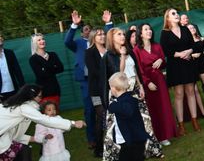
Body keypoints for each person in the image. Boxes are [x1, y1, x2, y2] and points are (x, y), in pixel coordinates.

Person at [100, 28, 163, 160]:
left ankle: (150, 149)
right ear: (112, 38)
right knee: (121, 125)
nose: (123, 36)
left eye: (123, 34)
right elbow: (119, 75)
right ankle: (119, 153)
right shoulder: (109, 56)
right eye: (119, 34)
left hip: (134, 90)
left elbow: (135, 70)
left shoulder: (130, 52)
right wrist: (122, 56)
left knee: (144, 121)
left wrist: (141, 87)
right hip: (120, 92)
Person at [63, 10, 112, 150]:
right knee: (90, 111)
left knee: (106, 109)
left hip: (104, 81)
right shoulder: (78, 43)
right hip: (87, 82)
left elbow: (111, 38)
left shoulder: (102, 44)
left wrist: (108, 23)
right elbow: (67, 41)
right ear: (81, 32)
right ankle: (92, 139)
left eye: (90, 29)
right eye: (85, 29)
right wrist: (74, 24)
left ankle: (110, 137)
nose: (87, 31)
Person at [0, 84, 84, 161]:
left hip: (5, 141)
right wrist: (72, 123)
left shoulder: (14, 105)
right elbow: (44, 120)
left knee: (24, 151)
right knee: (23, 152)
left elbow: (13, 133)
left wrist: (35, 139)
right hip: (3, 144)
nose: (41, 99)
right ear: (32, 97)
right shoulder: (24, 107)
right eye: (39, 96)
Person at [133, 23, 176, 147]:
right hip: (147, 82)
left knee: (163, 106)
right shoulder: (136, 50)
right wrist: (147, 82)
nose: (149, 31)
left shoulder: (157, 46)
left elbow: (163, 61)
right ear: (140, 34)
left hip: (159, 80)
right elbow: (138, 69)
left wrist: (161, 60)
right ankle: (154, 137)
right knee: (151, 110)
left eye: (150, 29)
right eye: (146, 29)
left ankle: (164, 135)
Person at [159, 8, 199, 135]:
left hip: (188, 64)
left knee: (191, 91)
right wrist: (180, 54)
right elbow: (165, 50)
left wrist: (188, 52)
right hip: (175, 66)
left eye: (177, 13)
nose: (177, 15)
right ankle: (181, 124)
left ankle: (194, 120)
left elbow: (193, 45)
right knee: (179, 94)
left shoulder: (185, 29)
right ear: (168, 18)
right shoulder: (164, 33)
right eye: (173, 14)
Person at [108, 72, 149, 161]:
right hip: (128, 140)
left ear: (114, 89)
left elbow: (128, 111)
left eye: (110, 87)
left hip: (134, 140)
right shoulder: (122, 100)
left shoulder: (129, 100)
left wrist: (113, 105)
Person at [85, 28, 107, 158]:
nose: (102, 36)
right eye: (99, 35)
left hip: (110, 89)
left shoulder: (108, 50)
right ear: (93, 37)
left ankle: (111, 143)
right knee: (102, 116)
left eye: (103, 34)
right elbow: (93, 71)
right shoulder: (89, 52)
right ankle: (98, 148)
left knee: (109, 117)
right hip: (96, 91)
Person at [28, 34, 64, 108]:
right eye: (39, 40)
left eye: (43, 39)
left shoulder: (53, 54)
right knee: (46, 115)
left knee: (56, 113)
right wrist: (53, 66)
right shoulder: (33, 59)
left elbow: (60, 68)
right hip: (42, 91)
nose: (42, 41)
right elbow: (41, 74)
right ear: (35, 43)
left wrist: (45, 68)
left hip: (55, 89)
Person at [0, 35, 25, 102]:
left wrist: (23, 87)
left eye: (1, 36)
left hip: (13, 90)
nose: (0, 38)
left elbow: (17, 71)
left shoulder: (9, 53)